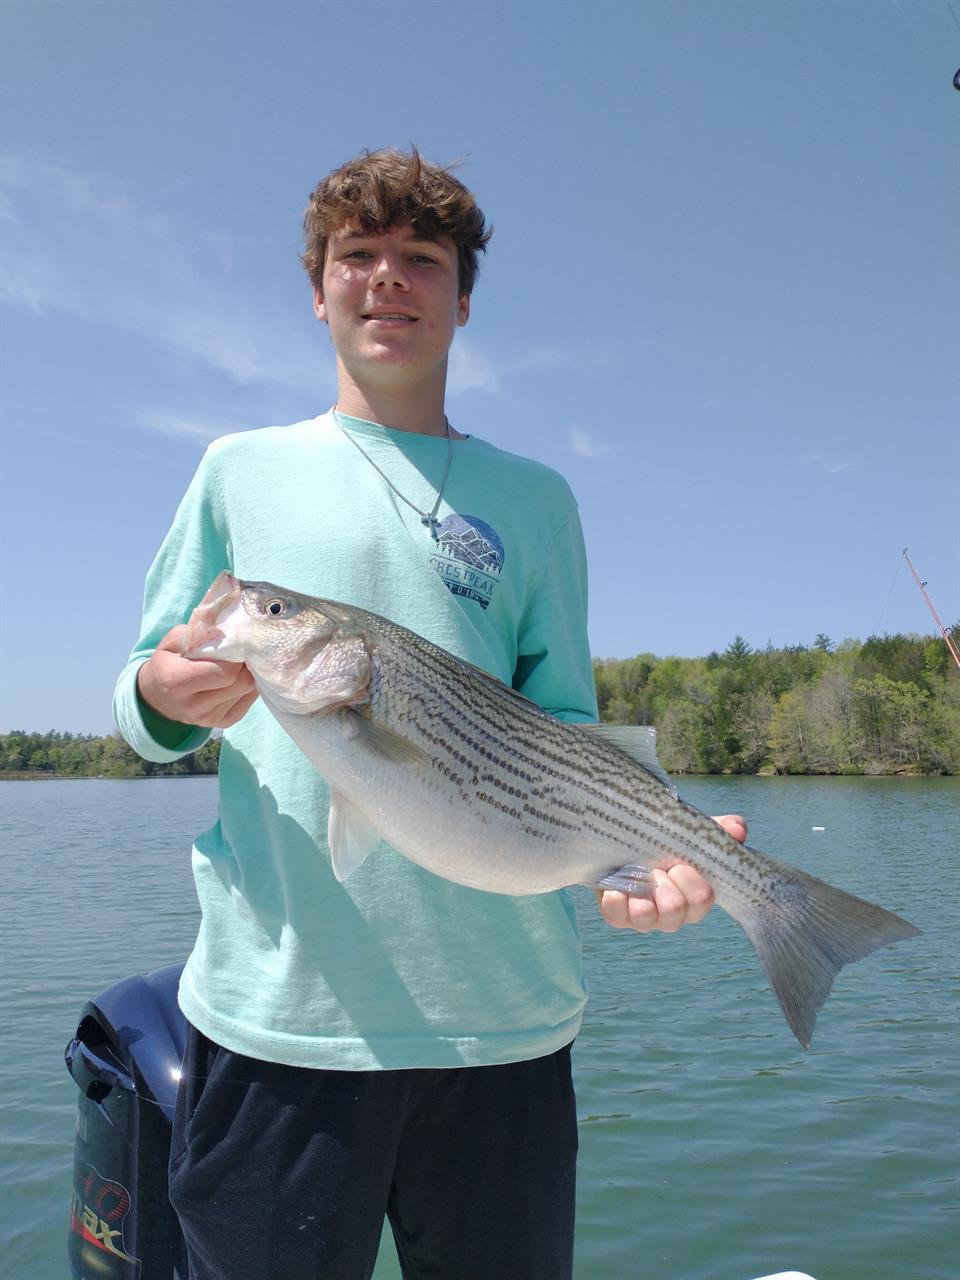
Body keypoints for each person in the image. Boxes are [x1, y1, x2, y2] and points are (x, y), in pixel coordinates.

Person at [115, 148, 745, 1280]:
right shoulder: (236, 470)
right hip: (280, 1017)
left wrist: (636, 860)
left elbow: (563, 725)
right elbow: (143, 693)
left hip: (506, 1021)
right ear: (318, 292)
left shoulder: (538, 497)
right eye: (356, 255)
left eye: (421, 258)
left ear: (463, 300)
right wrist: (163, 693)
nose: (387, 277)